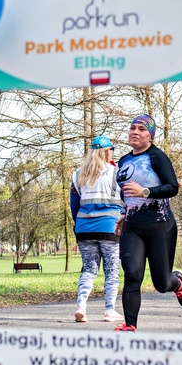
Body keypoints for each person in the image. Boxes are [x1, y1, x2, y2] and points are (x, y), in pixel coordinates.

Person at [113, 114, 182, 333]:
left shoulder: (157, 157)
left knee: (161, 284)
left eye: (142, 129)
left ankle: (178, 282)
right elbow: (127, 192)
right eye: (132, 128)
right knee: (132, 275)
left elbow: (172, 187)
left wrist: (145, 192)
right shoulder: (124, 160)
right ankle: (130, 325)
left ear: (151, 135)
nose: (135, 132)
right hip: (133, 227)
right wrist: (123, 213)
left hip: (160, 226)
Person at [70, 136, 124, 323]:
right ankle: (109, 310)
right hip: (110, 227)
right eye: (112, 149)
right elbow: (127, 199)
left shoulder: (78, 174)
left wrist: (78, 225)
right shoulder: (117, 172)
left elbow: (74, 204)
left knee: (89, 269)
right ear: (107, 151)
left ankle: (81, 307)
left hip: (85, 227)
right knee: (111, 270)